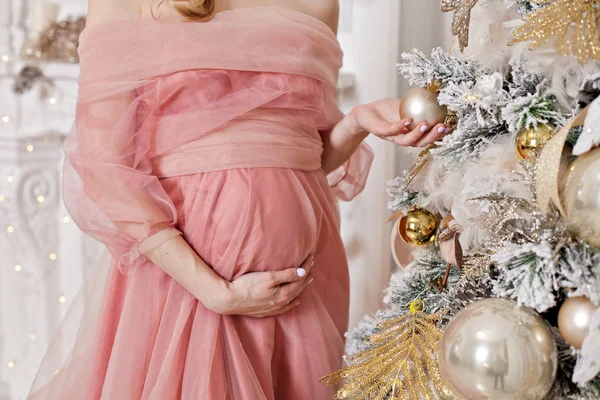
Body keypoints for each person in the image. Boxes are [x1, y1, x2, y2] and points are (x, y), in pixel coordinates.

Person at [28, 1, 452, 399]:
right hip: (185, 281)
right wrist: (214, 291)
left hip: (301, 284)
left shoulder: (319, 2)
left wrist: (358, 121)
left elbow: (304, 157)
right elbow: (107, 170)